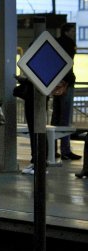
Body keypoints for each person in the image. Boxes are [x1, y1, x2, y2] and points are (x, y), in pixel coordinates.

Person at [52, 22, 79, 160]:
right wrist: (68, 80)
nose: (74, 34)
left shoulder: (55, 43)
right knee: (65, 118)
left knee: (56, 116)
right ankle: (65, 150)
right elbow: (69, 63)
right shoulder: (69, 43)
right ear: (67, 32)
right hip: (67, 83)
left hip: (55, 83)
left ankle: (52, 149)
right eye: (72, 31)